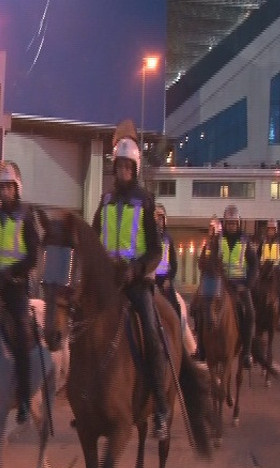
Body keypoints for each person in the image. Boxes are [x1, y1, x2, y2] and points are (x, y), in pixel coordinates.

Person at [92, 134, 171, 441]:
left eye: (128, 167)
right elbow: (95, 235)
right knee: (81, 326)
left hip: (135, 284)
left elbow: (155, 251)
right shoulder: (106, 200)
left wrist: (136, 270)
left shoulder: (145, 201)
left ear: (135, 169)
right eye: (119, 166)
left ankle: (161, 408)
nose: (123, 172)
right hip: (107, 282)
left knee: (152, 334)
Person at [0, 160, 39, 424]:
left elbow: (33, 256)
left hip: (15, 289)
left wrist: (11, 273)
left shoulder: (26, 216)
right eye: (1, 188)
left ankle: (24, 398)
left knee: (23, 338)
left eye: (8, 188)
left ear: (17, 189)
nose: (4, 193)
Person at [220, 204, 257, 368]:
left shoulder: (245, 241)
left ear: (239, 223)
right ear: (224, 224)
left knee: (250, 312)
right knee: (200, 307)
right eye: (229, 223)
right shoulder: (218, 240)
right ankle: (201, 347)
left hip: (240, 285)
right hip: (221, 284)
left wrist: (247, 285)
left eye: (234, 223)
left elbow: (254, 265)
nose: (232, 226)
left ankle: (247, 352)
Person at [194, 217, 223, 362]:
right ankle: (201, 348)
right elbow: (201, 261)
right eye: (209, 228)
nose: (210, 230)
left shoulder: (221, 244)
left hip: (217, 279)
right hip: (206, 279)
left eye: (212, 228)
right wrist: (203, 263)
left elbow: (220, 262)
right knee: (197, 309)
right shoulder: (208, 245)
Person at [257, 218, 280, 332]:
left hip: (275, 273)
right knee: (256, 292)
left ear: (276, 230)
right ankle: (257, 318)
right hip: (264, 273)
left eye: (273, 229)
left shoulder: (279, 243)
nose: (271, 231)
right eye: (269, 229)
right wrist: (259, 268)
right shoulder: (263, 241)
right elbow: (257, 256)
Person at [153, 203, 180, 316]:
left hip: (164, 281)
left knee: (176, 308)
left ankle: (180, 332)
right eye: (156, 217)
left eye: (161, 217)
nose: (159, 220)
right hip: (150, 281)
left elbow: (173, 263)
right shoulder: (147, 237)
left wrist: (169, 279)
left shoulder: (168, 238)